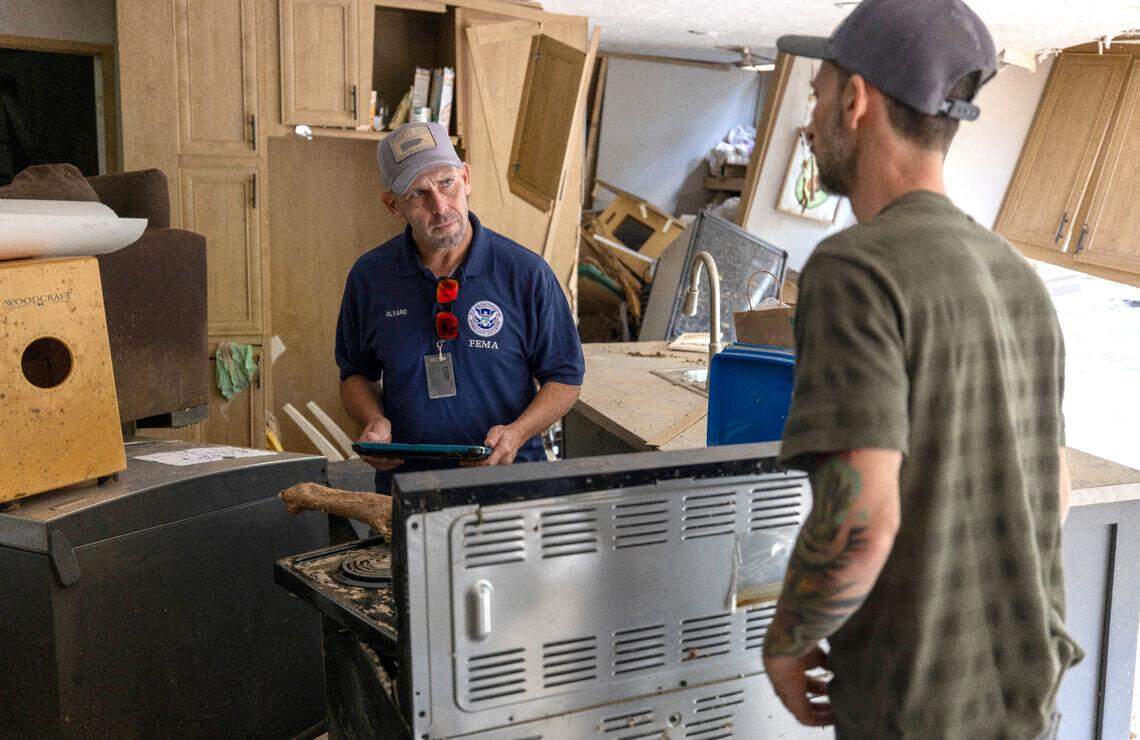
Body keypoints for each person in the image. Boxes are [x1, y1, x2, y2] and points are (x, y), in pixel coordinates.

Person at [761, 0, 1082, 737]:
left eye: (815, 93)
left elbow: (860, 522)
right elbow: (1053, 492)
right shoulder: (1017, 277)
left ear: (856, 99)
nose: (810, 122)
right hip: (1022, 700)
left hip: (915, 709)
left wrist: (787, 640)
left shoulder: (855, 269)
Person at [336, 121, 584, 492]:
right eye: (419, 193)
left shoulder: (525, 273)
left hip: (511, 486)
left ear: (466, 178)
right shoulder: (370, 278)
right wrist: (374, 420)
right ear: (393, 204)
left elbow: (565, 378)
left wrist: (516, 434)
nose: (440, 206)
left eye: (447, 183)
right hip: (409, 489)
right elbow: (355, 374)